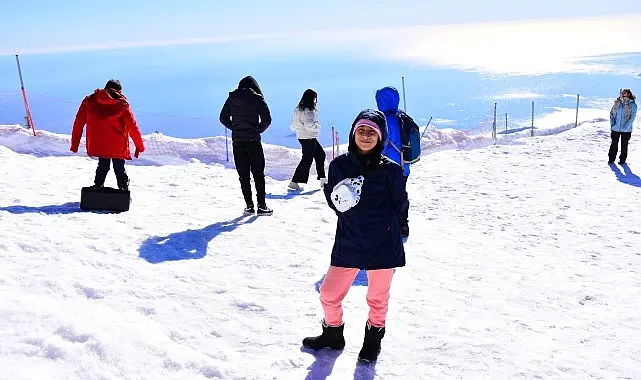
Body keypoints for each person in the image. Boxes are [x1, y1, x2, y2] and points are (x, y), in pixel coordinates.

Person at [302, 109, 407, 363]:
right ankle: (333, 335)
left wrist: (401, 229)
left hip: (382, 243)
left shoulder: (391, 171)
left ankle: (372, 342)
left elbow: (400, 203)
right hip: (349, 240)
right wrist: (336, 196)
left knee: (377, 298)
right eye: (362, 130)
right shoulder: (340, 165)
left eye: (373, 132)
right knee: (328, 293)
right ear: (353, 133)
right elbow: (333, 200)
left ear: (381, 137)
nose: (366, 136)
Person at [70, 79, 144, 191]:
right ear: (119, 90)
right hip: (117, 145)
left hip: (98, 143)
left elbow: (78, 123)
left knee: (103, 164)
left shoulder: (90, 101)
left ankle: (97, 187)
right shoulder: (122, 104)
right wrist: (139, 146)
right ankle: (123, 189)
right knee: (119, 166)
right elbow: (133, 126)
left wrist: (74, 144)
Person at [220, 76, 273, 215]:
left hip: (238, 142)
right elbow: (267, 119)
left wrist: (235, 128)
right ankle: (262, 206)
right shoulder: (257, 98)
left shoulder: (232, 98)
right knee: (258, 174)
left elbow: (223, 118)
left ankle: (249, 206)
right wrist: (257, 130)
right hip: (254, 141)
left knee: (243, 175)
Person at [375, 86, 411, 237]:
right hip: (404, 165)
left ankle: (388, 225)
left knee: (386, 195)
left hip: (389, 166)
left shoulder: (384, 120)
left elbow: (383, 144)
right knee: (400, 194)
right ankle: (403, 225)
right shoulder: (402, 117)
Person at [288, 89, 327, 190]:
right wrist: (317, 127)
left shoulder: (298, 109)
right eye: (314, 98)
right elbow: (309, 125)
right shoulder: (309, 110)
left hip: (303, 137)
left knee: (320, 155)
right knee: (307, 159)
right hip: (309, 137)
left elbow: (293, 124)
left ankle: (323, 179)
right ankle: (294, 181)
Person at [609, 88, 637, 165]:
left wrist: (626, 127)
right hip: (615, 128)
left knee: (624, 145)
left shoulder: (632, 104)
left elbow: (632, 117)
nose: (622, 94)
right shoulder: (617, 103)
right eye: (622, 93)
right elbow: (612, 113)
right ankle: (611, 159)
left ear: (628, 94)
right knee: (614, 144)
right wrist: (612, 124)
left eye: (624, 93)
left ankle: (622, 160)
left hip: (626, 130)